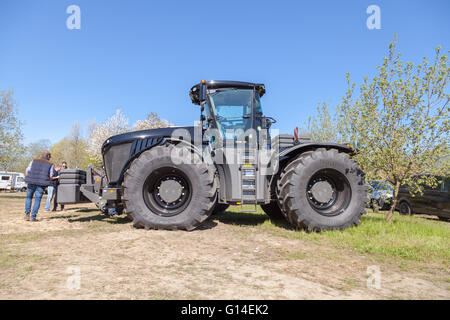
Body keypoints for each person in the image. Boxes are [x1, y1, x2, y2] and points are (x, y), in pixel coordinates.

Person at [24, 151, 54, 221]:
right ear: (48, 156)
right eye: (50, 156)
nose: (50, 158)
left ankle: (27, 214)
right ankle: (33, 217)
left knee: (28, 198)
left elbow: (27, 170)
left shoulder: (33, 161)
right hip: (41, 184)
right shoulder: (50, 164)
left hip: (31, 182)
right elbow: (51, 175)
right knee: (37, 200)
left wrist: (29, 177)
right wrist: (48, 182)